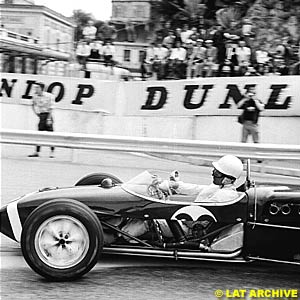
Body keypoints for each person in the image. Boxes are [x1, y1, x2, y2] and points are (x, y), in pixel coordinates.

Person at [161, 155, 243, 203]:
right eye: (214, 170)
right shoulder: (219, 188)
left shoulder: (225, 195)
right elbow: (197, 189)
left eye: (217, 173)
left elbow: (199, 211)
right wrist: (176, 185)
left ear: (228, 179)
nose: (212, 174)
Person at [28, 82, 55, 158]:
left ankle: (52, 152)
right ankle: (37, 151)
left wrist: (49, 118)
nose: (36, 89)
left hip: (48, 115)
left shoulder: (49, 96)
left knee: (51, 135)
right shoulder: (35, 96)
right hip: (41, 115)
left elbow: (51, 108)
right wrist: (36, 113)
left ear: (41, 88)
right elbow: (32, 104)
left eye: (37, 87)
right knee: (39, 134)